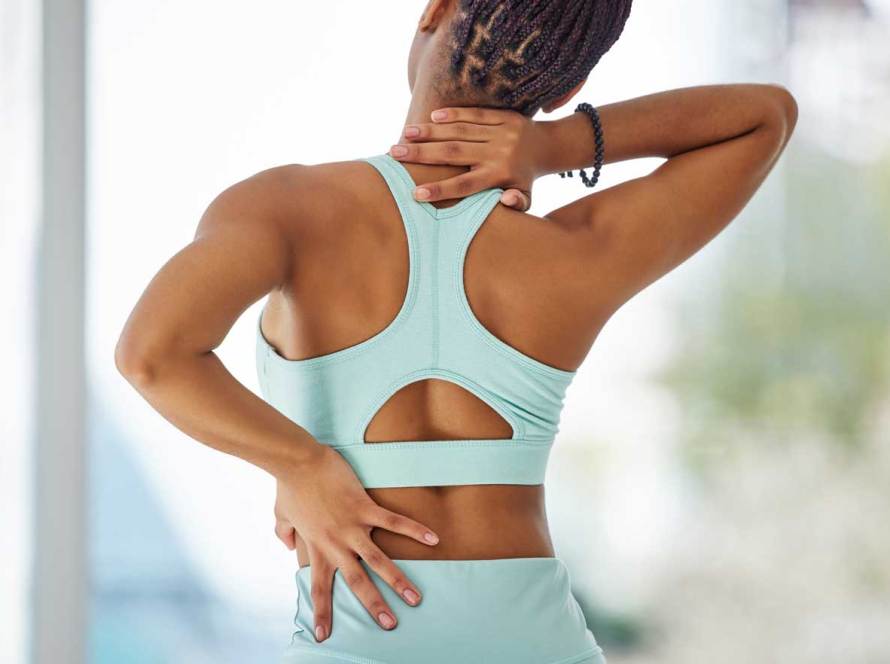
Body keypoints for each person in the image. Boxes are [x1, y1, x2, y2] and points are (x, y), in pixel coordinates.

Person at [114, 1, 797, 662]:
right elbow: (766, 116)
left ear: (434, 10)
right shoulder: (576, 253)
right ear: (570, 90)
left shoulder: (288, 210)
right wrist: (556, 146)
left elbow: (153, 356)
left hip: (356, 642)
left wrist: (301, 464)